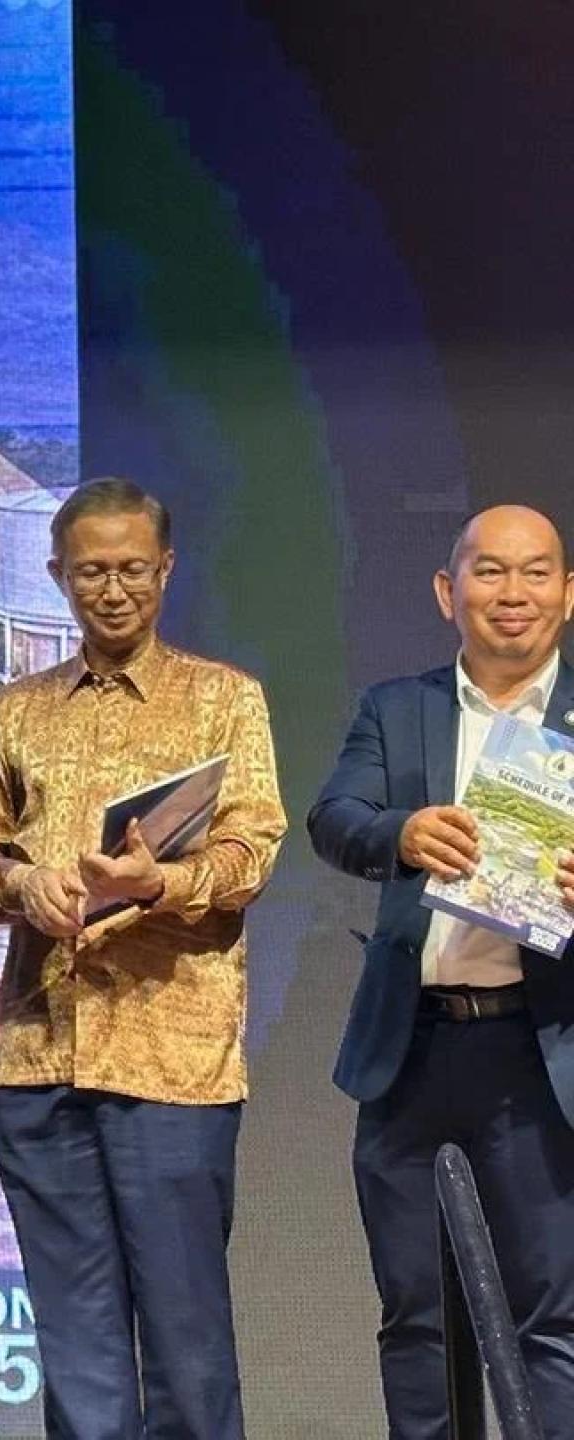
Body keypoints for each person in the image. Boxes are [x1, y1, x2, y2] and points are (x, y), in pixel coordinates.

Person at [0, 479, 286, 1438]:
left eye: (131, 570)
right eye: (90, 572)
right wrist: (23, 885)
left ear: (166, 569)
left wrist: (160, 883)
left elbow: (254, 852)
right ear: (58, 576)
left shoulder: (222, 700)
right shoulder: (16, 710)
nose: (112, 591)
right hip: (41, 1052)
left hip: (173, 1061)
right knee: (78, 1354)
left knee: (188, 1346)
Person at [308, 503, 574, 1438]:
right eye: (490, 572)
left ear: (569, 593)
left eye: (536, 572)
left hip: (543, 1056)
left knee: (554, 1320)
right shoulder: (400, 707)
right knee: (415, 1318)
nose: (513, 594)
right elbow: (334, 819)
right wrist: (403, 833)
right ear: (446, 591)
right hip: (411, 1049)